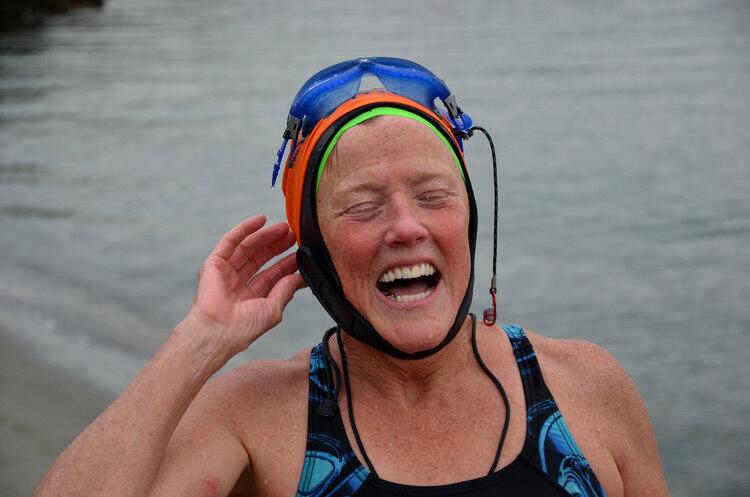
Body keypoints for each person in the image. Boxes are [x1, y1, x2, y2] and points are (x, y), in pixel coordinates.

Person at [32, 58, 670, 497]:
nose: (404, 228)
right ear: (314, 248)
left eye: (433, 194)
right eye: (362, 207)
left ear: (471, 217)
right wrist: (200, 340)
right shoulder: (252, 420)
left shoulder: (588, 388)